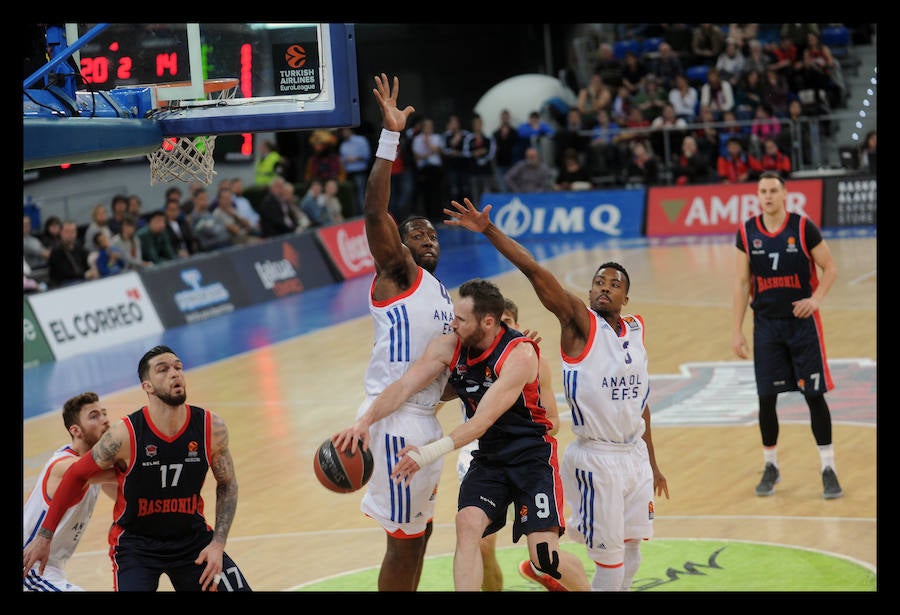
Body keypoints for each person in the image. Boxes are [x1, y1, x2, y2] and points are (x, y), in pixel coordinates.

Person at [442, 197, 669, 592]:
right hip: (598, 458)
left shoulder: (636, 329)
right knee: (610, 563)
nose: (605, 288)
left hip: (634, 456)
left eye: (615, 285)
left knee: (633, 555)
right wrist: (490, 231)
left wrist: (652, 461)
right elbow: (533, 269)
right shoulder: (579, 322)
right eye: (599, 282)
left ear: (626, 298)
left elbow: (641, 400)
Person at [338, 278, 590, 592]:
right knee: (468, 525)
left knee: (544, 559)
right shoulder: (448, 344)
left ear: (487, 322)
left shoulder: (521, 355)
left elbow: (482, 420)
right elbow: (404, 386)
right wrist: (365, 421)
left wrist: (426, 453)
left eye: (460, 319)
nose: (451, 323)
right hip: (489, 457)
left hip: (531, 456)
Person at [331, 74, 455, 592]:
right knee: (403, 544)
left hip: (426, 419)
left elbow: (444, 372)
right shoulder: (398, 273)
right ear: (398, 247)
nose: (425, 237)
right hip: (395, 419)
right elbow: (374, 210)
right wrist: (390, 136)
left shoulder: (442, 295)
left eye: (431, 232)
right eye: (414, 233)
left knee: (421, 536)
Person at [23, 345, 252, 592]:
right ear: (147, 387)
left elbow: (227, 483)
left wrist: (218, 544)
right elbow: (77, 474)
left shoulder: (211, 427)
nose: (174, 374)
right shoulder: (124, 436)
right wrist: (45, 536)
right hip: (137, 547)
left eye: (178, 367)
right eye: (163, 370)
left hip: (192, 540)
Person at [732, 172, 842, 500]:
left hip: (803, 327)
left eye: (773, 191)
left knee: (814, 395)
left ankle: (828, 467)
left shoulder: (803, 226)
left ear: (785, 194)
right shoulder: (747, 231)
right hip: (766, 326)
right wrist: (736, 330)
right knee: (766, 398)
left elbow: (830, 268)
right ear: (758, 195)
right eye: (762, 191)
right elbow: (740, 284)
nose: (767, 196)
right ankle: (771, 465)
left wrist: (816, 299)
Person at [453, 296, 562, 592]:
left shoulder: (530, 358)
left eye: (509, 324)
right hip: (479, 450)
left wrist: (521, 426)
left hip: (529, 458)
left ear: (515, 326)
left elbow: (553, 420)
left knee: (545, 558)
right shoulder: (469, 358)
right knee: (478, 540)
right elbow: (437, 397)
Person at [23, 392, 116, 591]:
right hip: (30, 568)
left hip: (49, 569)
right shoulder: (66, 466)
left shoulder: (94, 464)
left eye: (104, 413)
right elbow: (121, 471)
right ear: (76, 430)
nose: (105, 420)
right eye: (94, 416)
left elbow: (123, 495)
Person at [47, 220, 98, 288]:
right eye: (67, 232)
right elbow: (64, 273)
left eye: (73, 231)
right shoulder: (56, 252)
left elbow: (87, 260)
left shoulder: (79, 248)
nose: (70, 234)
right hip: (64, 284)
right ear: (61, 233)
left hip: (81, 280)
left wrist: (92, 270)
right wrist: (84, 275)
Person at [339, 126, 372, 216]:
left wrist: (354, 158)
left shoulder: (361, 140)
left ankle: (363, 216)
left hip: (359, 171)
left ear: (350, 129)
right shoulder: (343, 144)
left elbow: (367, 155)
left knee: (361, 195)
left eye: (345, 130)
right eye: (342, 131)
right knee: (351, 196)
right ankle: (355, 216)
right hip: (348, 173)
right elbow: (341, 160)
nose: (343, 133)